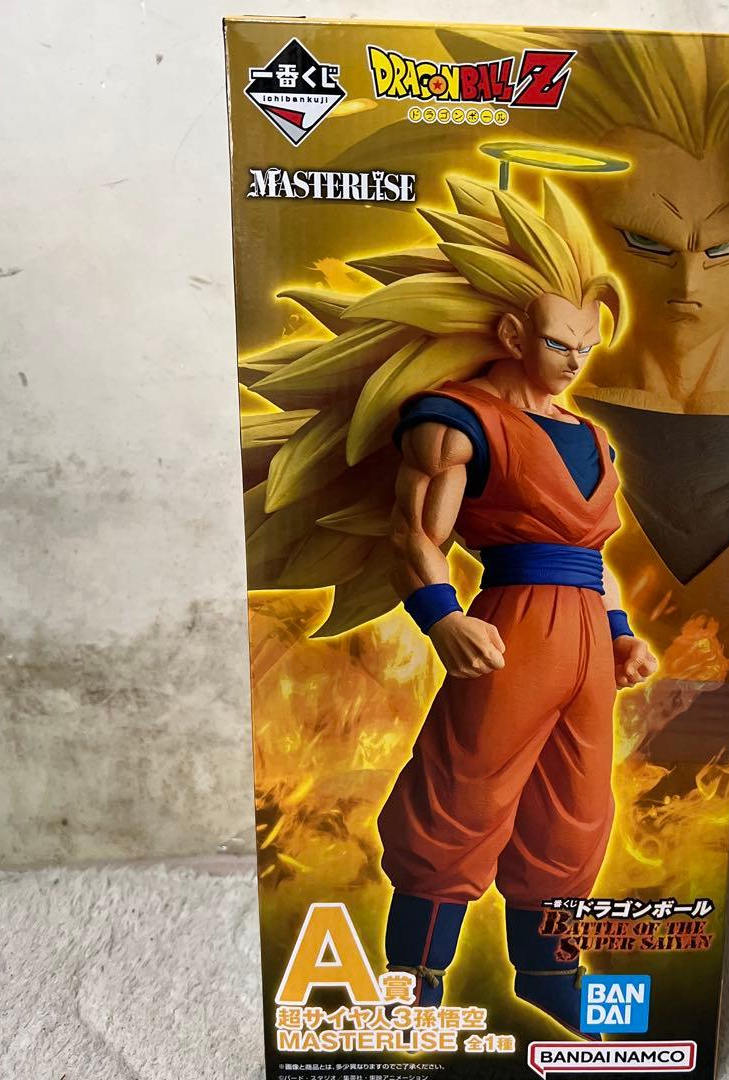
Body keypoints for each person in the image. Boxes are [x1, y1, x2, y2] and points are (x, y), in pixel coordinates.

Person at [241, 179, 657, 1036]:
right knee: (462, 796)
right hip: (513, 627)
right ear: (511, 335)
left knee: (576, 812)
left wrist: (620, 634)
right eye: (558, 342)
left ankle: (549, 973)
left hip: (585, 632)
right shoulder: (456, 419)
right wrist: (443, 617)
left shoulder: (591, 436)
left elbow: (594, 557)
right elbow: (414, 534)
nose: (574, 360)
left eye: (586, 345)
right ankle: (416, 982)